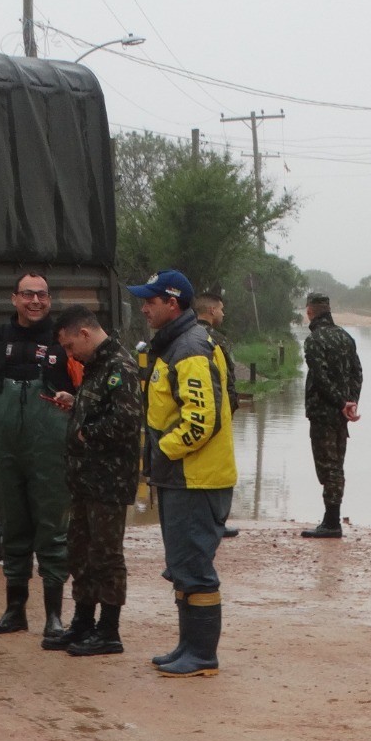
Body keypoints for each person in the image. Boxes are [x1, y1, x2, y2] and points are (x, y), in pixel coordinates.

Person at [131, 269, 236, 677]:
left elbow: (201, 420)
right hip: (182, 478)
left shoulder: (190, 348)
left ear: (171, 304)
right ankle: (187, 646)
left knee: (194, 570)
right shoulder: (174, 345)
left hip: (197, 478)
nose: (143, 308)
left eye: (149, 301)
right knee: (181, 566)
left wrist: (162, 451)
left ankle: (202, 655)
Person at [0, 271, 82, 642]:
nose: (36, 301)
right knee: (12, 527)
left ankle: (53, 616)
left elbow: (83, 389)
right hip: (5, 451)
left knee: (52, 531)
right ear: (14, 299)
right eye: (28, 295)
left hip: (49, 452)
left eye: (43, 296)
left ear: (50, 301)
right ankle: (14, 611)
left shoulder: (62, 340)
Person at [47, 304, 144, 656]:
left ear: (85, 333)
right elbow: (103, 407)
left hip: (108, 480)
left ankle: (109, 630)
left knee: (106, 555)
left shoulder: (120, 366)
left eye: (71, 347)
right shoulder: (96, 366)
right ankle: (83, 622)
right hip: (85, 479)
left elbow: (126, 422)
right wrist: (76, 405)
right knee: (81, 553)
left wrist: (86, 434)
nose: (70, 355)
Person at [300, 292, 363, 538]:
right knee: (336, 465)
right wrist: (351, 402)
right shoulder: (346, 337)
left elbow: (320, 377)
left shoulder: (315, 340)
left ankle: (331, 522)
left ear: (310, 312)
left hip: (323, 412)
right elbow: (358, 373)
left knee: (328, 468)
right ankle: (331, 518)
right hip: (341, 414)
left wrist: (340, 403)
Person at [195, 287, 242, 538]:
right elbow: (228, 381)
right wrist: (230, 410)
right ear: (211, 310)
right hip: (217, 414)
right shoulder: (217, 340)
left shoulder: (185, 336)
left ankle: (198, 521)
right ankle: (217, 522)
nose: (223, 313)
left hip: (194, 415)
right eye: (221, 309)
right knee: (218, 472)